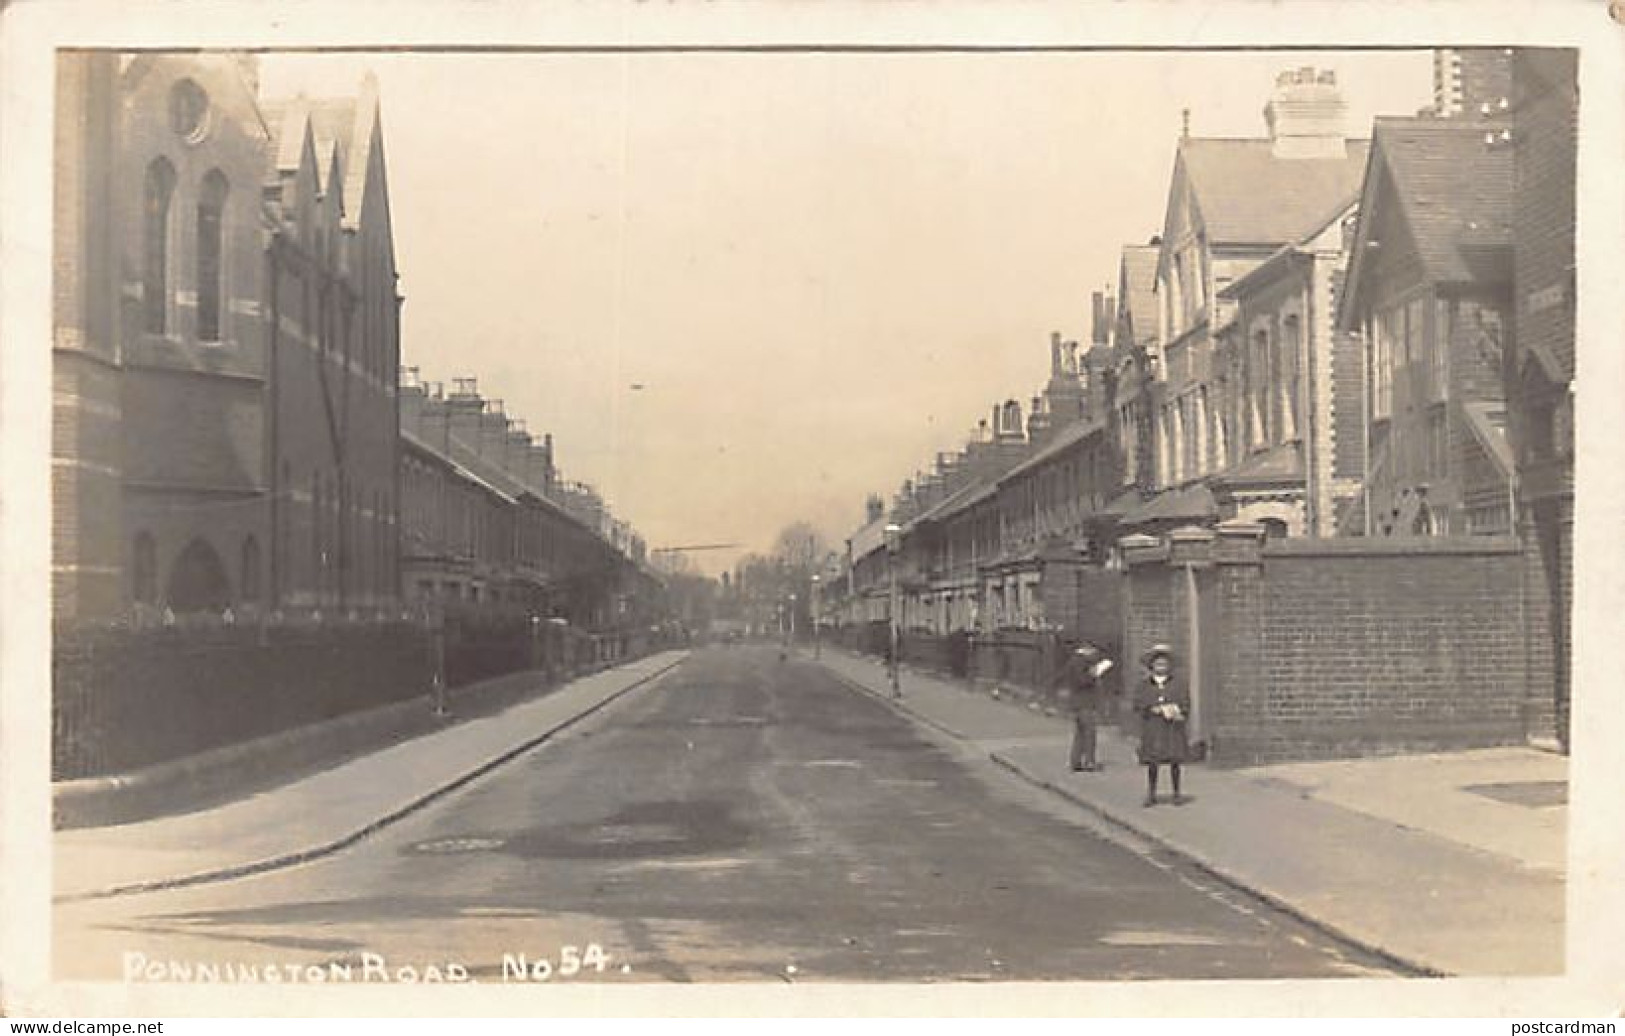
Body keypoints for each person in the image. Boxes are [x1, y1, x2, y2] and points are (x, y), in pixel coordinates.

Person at [1133, 643, 1190, 806]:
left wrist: (1178, 711)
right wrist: (1152, 708)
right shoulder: (1145, 685)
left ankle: (1176, 793)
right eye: (1158, 664)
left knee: (1175, 761)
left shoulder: (1178, 684)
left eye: (1164, 664)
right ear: (1152, 666)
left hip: (1172, 728)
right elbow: (1137, 704)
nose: (1161, 667)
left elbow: (1185, 703)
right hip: (1153, 726)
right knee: (1153, 761)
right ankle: (1151, 793)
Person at [1054, 641, 1115, 772]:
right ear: (1087, 649)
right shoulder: (1079, 662)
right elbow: (1082, 680)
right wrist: (1095, 673)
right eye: (1094, 651)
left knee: (1081, 733)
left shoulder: (1075, 661)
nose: (1095, 654)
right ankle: (1089, 762)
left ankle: (1076, 761)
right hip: (1084, 702)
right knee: (1089, 732)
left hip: (1079, 702)